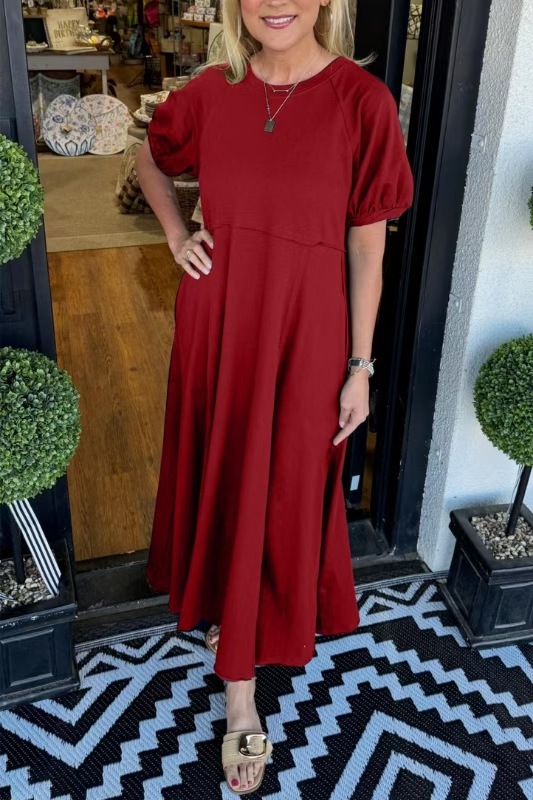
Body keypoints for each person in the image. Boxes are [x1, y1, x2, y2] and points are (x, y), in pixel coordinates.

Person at [135, 0, 414, 791]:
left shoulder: (361, 101)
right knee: (227, 477)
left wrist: (359, 365)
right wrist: (176, 234)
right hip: (220, 323)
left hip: (307, 335)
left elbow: (367, 246)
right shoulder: (209, 90)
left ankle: (253, 636)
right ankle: (239, 691)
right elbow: (149, 158)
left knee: (285, 488)